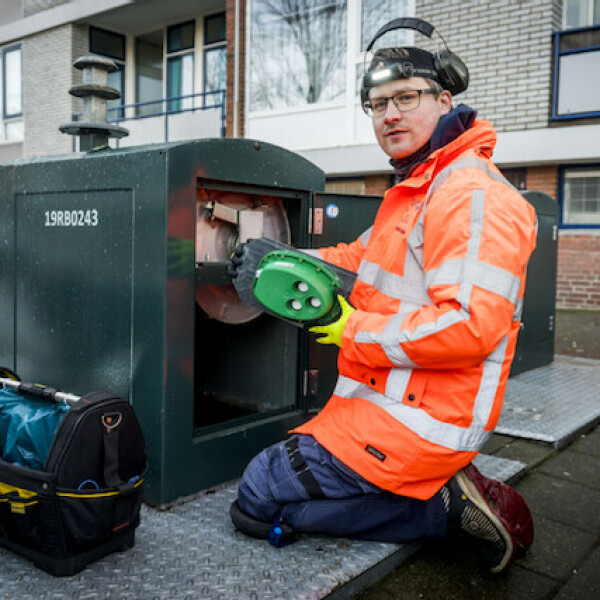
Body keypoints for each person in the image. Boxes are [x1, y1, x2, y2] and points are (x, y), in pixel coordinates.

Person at [229, 18, 537, 574]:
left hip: (417, 425)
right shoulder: (419, 190)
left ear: (445, 99)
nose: (389, 114)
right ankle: (432, 490)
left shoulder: (469, 196)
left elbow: (469, 326)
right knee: (268, 491)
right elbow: (356, 260)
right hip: (381, 410)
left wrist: (352, 331)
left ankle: (437, 511)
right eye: (377, 104)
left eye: (405, 97)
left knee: (257, 499)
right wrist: (279, 260)